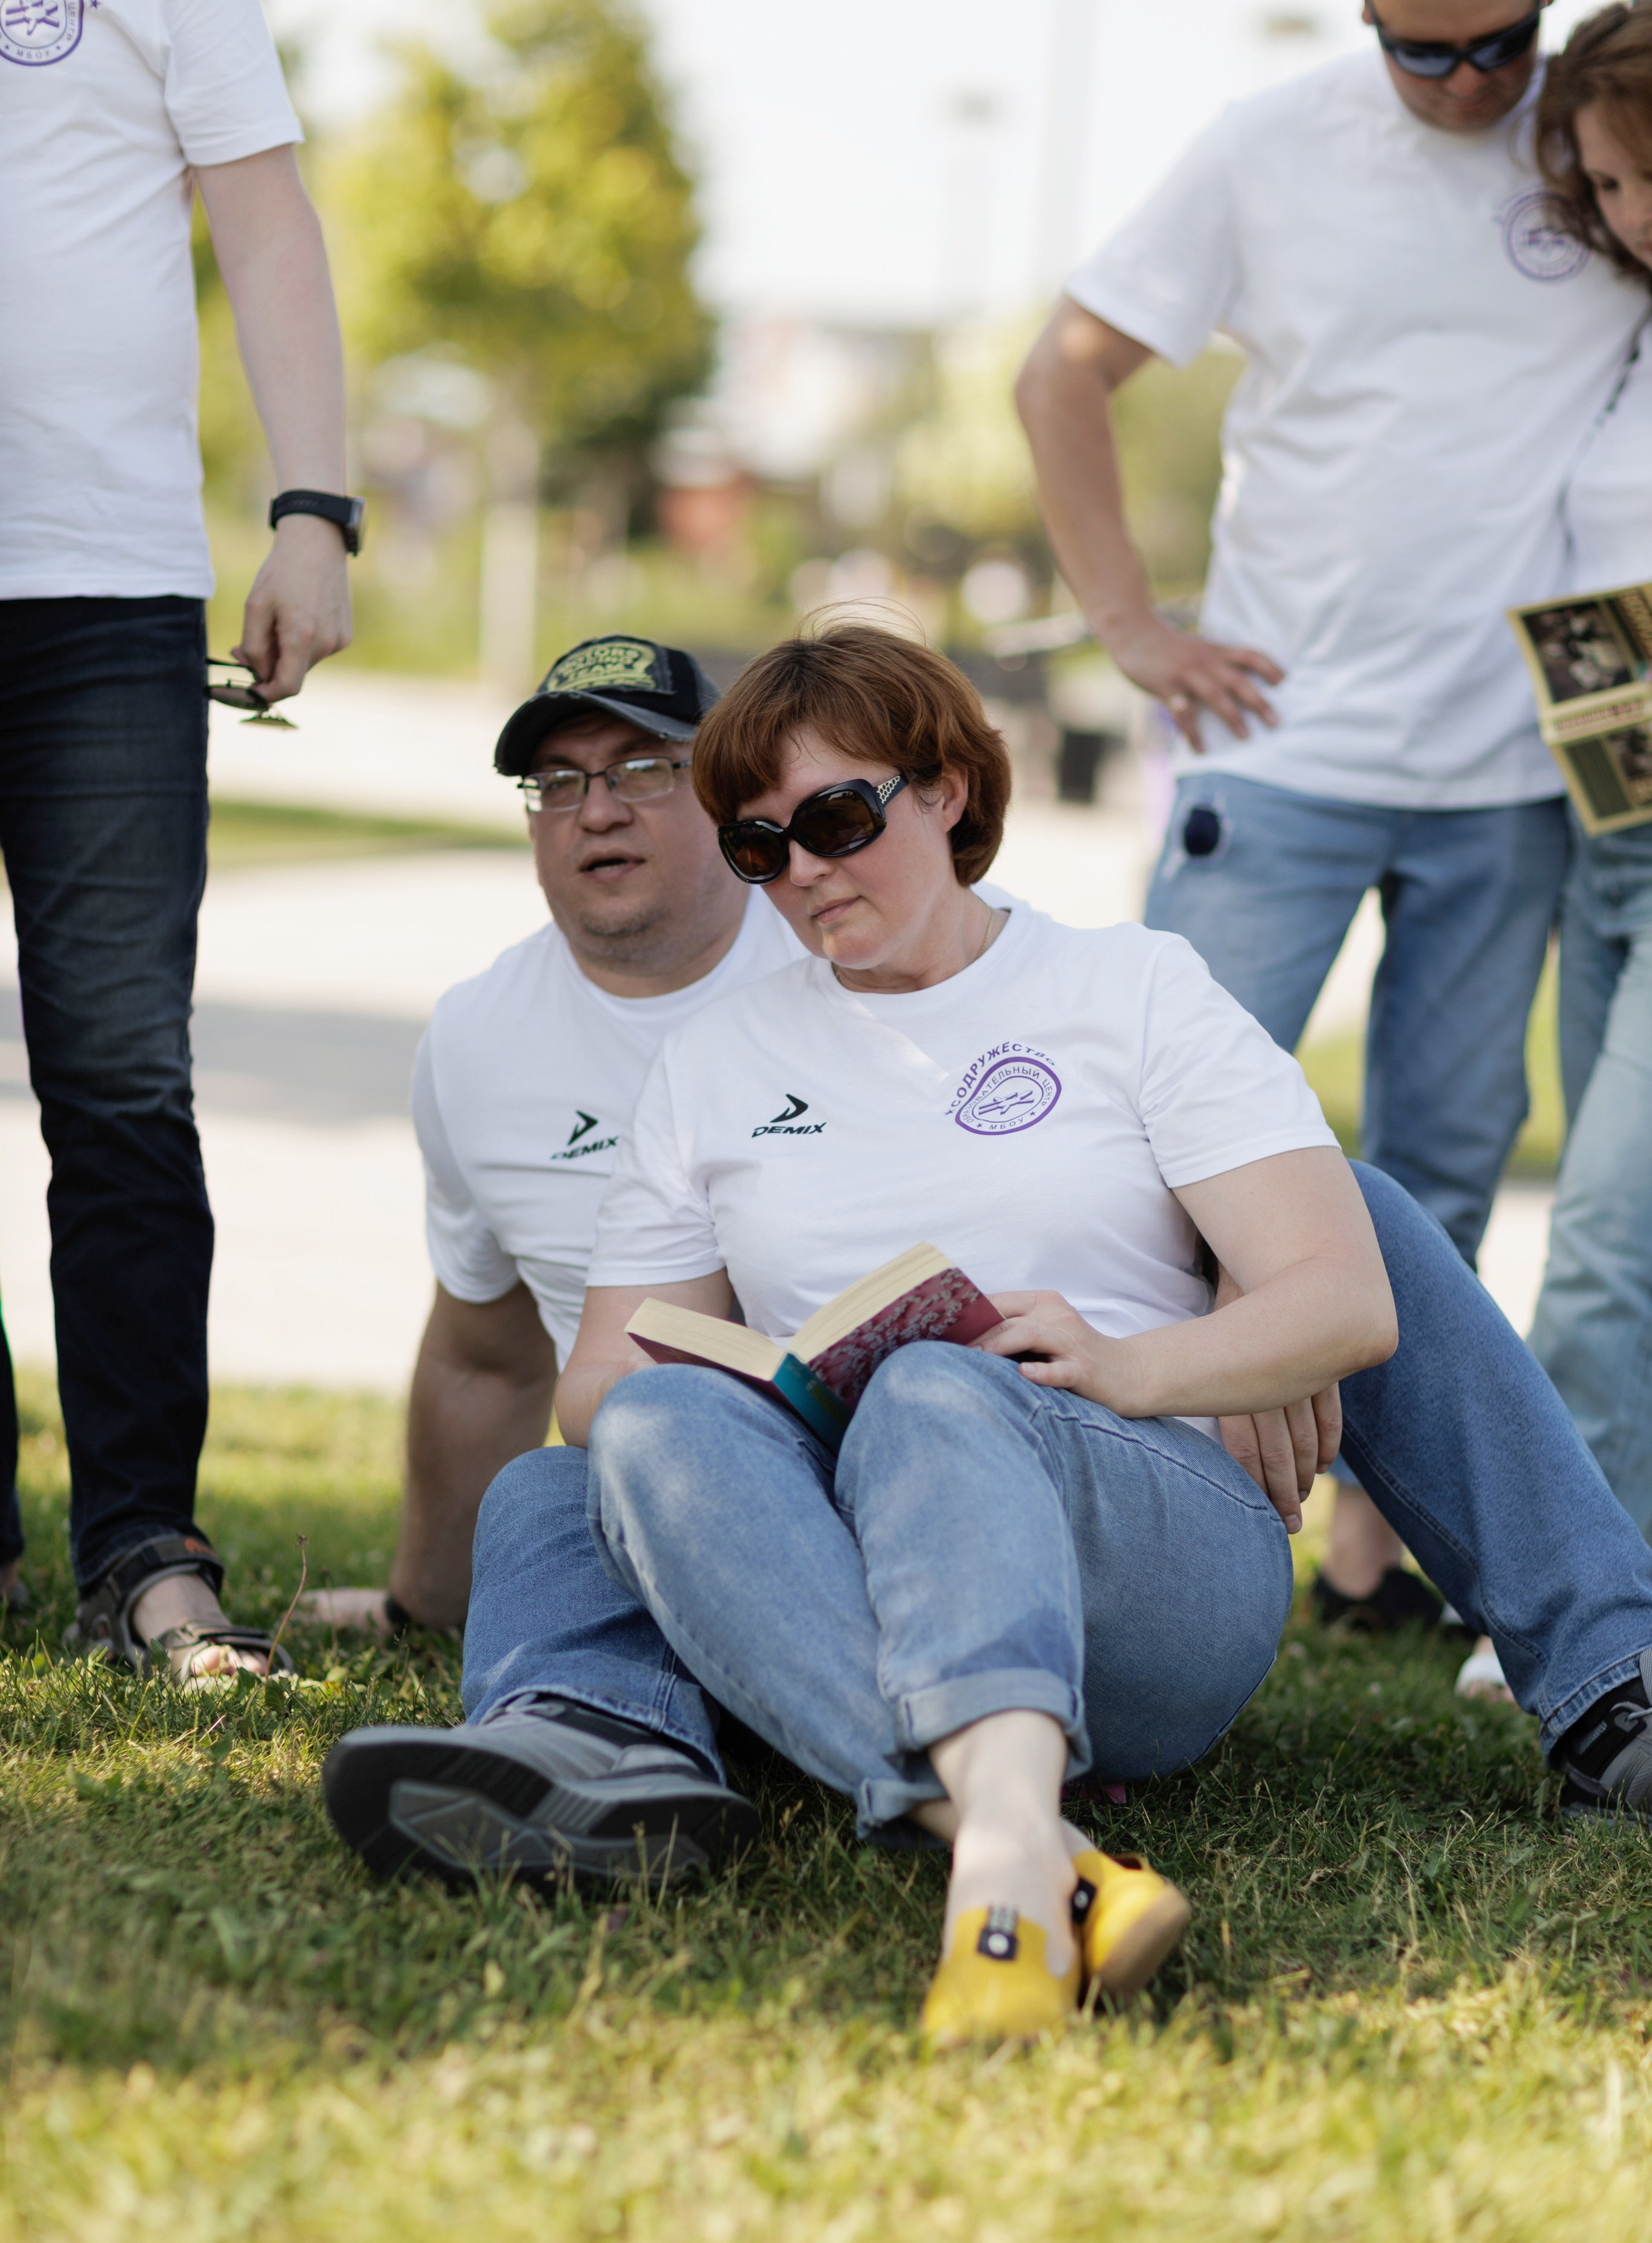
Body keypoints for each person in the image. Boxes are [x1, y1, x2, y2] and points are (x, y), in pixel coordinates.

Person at [323, 631, 1652, 2043]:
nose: (808, 872)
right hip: (842, 1548)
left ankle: (1605, 1674)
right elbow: (593, 1379)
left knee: (943, 1388)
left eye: (837, 818)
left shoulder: (1126, 990)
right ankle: (994, 1845)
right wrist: (768, 1400)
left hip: (1141, 1560)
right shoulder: (713, 1065)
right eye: (763, 845)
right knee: (607, 1449)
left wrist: (1133, 1362)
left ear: (948, 788)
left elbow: (1347, 1298)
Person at [1014, 0, 1647, 1645]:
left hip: (1511, 778)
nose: (1461, 85)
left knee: (1433, 1171)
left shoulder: (1598, 148)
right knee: (1139, 1154)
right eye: (1416, 51)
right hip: (1279, 756)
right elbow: (1062, 369)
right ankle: (1076, 1503)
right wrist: (1128, 625)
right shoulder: (1264, 146)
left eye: (1492, 44)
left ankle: (1374, 1555)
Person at [2, 0, 356, 1681]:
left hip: (99, 589)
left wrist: (314, 510)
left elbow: (267, 220)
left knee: (122, 1082)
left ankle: (144, 1548)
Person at [304, 634, 803, 1642]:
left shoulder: (848, 948)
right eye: (558, 783)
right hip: (648, 1498)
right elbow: (485, 1353)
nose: (598, 809)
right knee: (550, 1499)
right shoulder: (479, 1038)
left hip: (870, 1460)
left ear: (727, 789)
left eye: (642, 768)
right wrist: (422, 1605)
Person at [1525, 6, 1652, 1532]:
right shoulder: (1617, 329)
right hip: (1598, 814)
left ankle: (1575, 1609)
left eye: (1645, 180)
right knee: (1617, 1214)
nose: (1627, 219)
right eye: (1603, 186)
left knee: (1603, 1231)